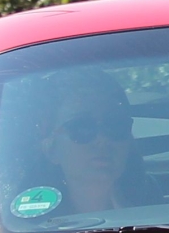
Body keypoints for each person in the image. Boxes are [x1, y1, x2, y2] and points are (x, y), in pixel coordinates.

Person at [35, 74, 143, 214]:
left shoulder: (163, 217)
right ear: (51, 149)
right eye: (82, 127)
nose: (102, 139)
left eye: (115, 125)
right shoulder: (21, 230)